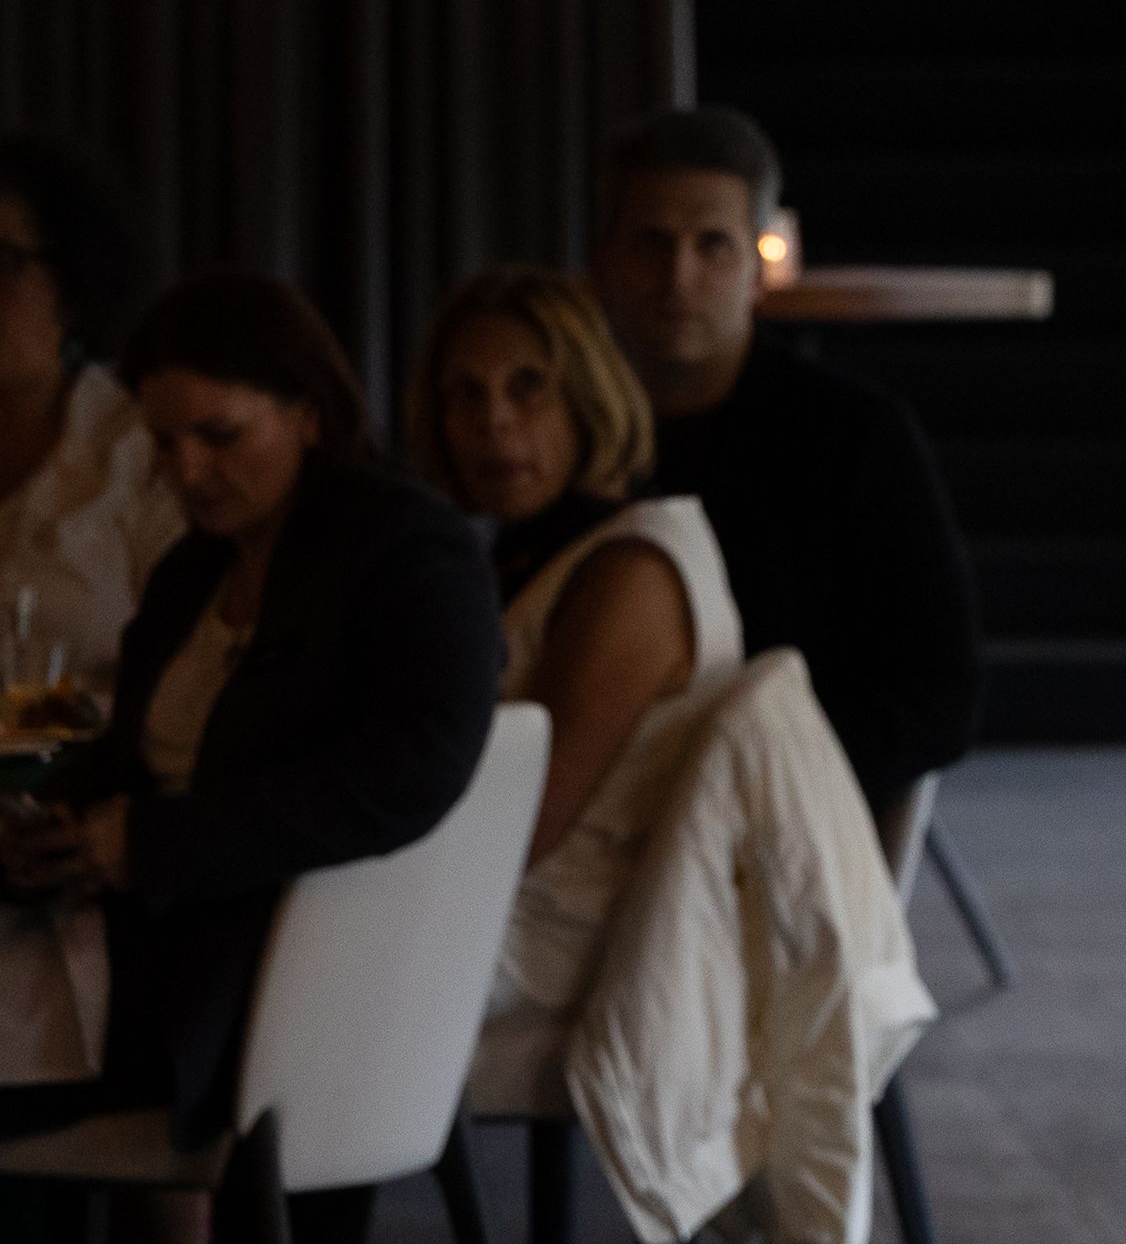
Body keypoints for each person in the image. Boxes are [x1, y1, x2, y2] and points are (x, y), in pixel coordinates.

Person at [1, 276, 503, 1238]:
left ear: (308, 414)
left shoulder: (405, 551)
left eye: (220, 437)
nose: (187, 471)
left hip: (262, 984)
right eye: (164, 443)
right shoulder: (195, 570)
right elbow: (131, 761)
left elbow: (416, 767)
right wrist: (48, 834)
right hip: (144, 942)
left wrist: (155, 845)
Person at [589, 109, 976, 816]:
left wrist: (742, 784)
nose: (679, 276)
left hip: (771, 814)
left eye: (713, 245)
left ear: (758, 268)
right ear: (606, 259)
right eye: (652, 243)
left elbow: (938, 697)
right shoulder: (572, 427)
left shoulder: (853, 436)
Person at [407, 265, 743, 1051]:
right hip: (496, 897)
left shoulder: (631, 570)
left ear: (587, 398)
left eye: (528, 387)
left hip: (574, 940)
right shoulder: (521, 554)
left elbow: (522, 822)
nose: (493, 421)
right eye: (465, 393)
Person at [0, 140, 188, 1098]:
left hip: (109, 825)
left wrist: (22, 732)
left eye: (3, 263)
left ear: (71, 284)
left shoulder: (141, 453)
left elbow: (179, 685)